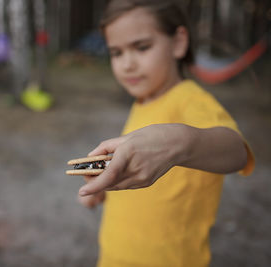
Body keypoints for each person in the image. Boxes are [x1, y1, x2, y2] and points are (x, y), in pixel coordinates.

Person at [76, 0, 255, 266]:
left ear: (178, 42)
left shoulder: (191, 101)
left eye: (142, 47)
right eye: (116, 53)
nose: (127, 64)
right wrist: (107, 187)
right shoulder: (142, 101)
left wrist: (179, 142)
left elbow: (237, 152)